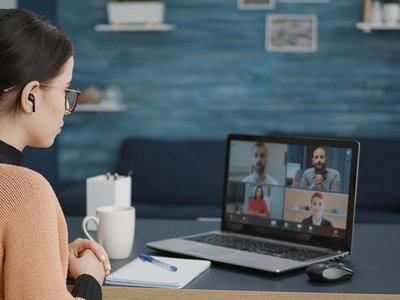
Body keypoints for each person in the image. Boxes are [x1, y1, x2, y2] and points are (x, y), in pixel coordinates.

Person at [0, 9, 111, 299]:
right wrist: (90, 278)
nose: (66, 106)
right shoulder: (24, 192)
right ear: (31, 95)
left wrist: (52, 255)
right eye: (65, 90)